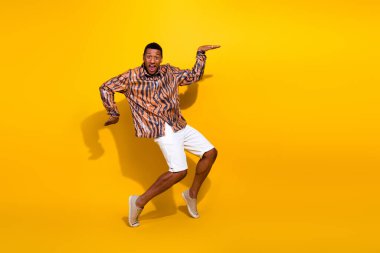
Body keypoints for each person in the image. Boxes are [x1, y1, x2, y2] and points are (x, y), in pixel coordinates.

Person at [99, 42, 220, 227]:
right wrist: (113, 112)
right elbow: (105, 87)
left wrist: (200, 54)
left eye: (156, 57)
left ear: (160, 59)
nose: (152, 60)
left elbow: (193, 76)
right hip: (161, 129)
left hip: (178, 124)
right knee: (179, 171)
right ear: (144, 57)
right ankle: (139, 202)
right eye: (149, 56)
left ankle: (191, 194)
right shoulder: (131, 76)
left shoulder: (169, 72)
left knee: (210, 153)